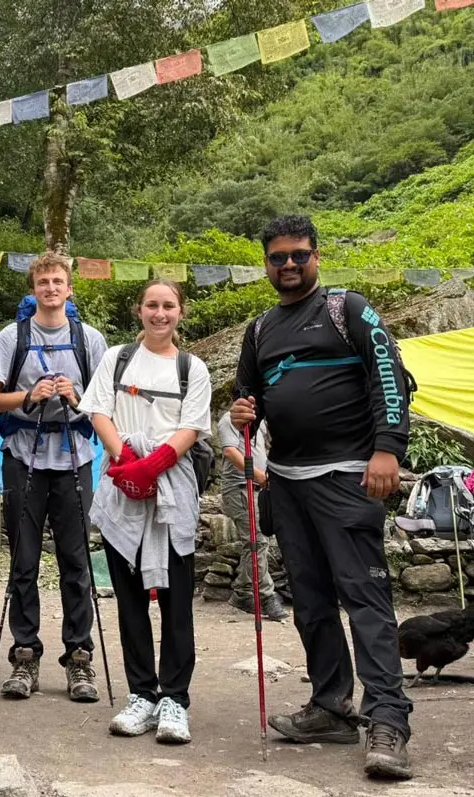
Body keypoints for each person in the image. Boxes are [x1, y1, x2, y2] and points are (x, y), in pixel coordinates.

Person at [230, 215, 413, 780]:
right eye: (277, 258)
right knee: (309, 601)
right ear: (265, 264)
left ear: (317, 256)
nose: (288, 266)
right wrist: (243, 411)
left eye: (298, 255)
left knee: (365, 599)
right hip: (286, 481)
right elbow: (247, 394)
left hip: (349, 477)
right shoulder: (260, 329)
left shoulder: (349, 310)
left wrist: (388, 449)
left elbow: (391, 377)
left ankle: (388, 721)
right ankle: (331, 706)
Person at [78, 279, 211, 745]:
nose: (160, 313)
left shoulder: (192, 368)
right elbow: (98, 411)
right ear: (139, 310)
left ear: (181, 313)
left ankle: (175, 699)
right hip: (122, 486)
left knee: (176, 602)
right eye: (152, 305)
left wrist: (153, 466)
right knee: (130, 598)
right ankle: (142, 694)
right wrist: (125, 462)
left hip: (173, 490)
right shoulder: (115, 359)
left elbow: (192, 427)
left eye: (168, 306)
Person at [0, 252, 108, 702]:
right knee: (24, 561)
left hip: (76, 458)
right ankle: (24, 655)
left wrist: (78, 398)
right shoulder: (10, 338)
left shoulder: (89, 340)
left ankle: (79, 658)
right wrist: (28, 396)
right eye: (43, 282)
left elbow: (105, 405)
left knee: (76, 563)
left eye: (58, 281)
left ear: (70, 289)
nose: (51, 288)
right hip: (22, 457)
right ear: (32, 289)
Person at [217, 412, 288, 620]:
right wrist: (261, 477)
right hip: (239, 489)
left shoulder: (261, 422)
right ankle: (267, 596)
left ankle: (241, 592)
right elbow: (230, 452)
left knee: (256, 542)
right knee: (256, 541)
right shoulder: (229, 419)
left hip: (258, 489)